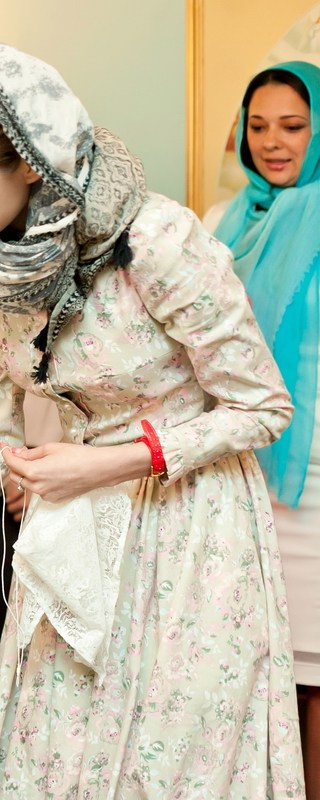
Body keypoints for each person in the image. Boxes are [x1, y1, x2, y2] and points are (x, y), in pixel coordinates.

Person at [0, 39, 303, 796]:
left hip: (192, 530)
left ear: (29, 162)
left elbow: (261, 407)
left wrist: (108, 463)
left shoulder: (152, 239)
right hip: (78, 528)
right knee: (59, 753)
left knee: (171, 758)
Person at [212, 61, 320, 799]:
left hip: (316, 474)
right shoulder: (224, 219)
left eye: (293, 126)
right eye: (258, 126)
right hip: (245, 468)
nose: (272, 142)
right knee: (260, 670)